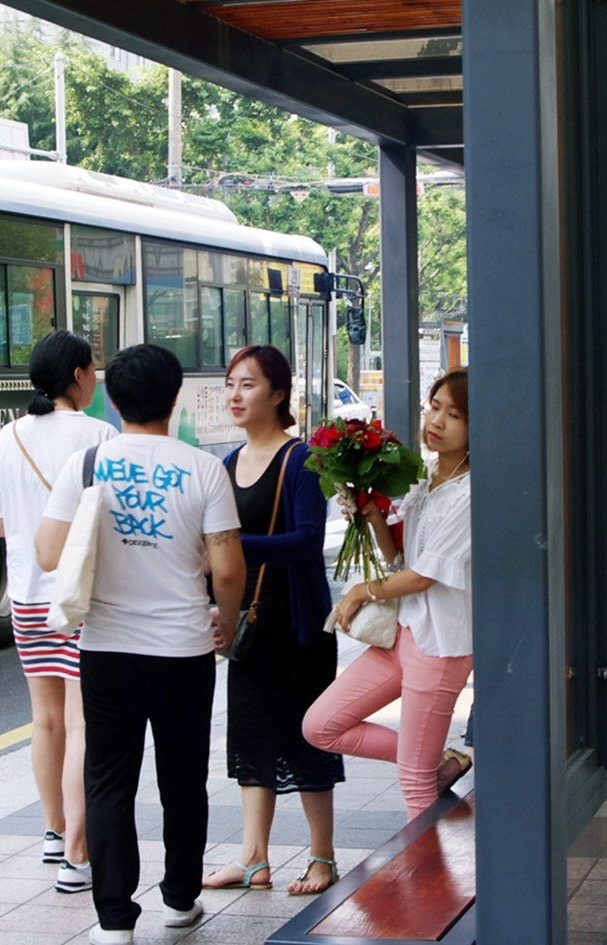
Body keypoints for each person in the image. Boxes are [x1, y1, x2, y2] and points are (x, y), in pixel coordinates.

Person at [35, 344, 245, 945]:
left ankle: (114, 920)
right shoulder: (203, 468)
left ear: (112, 398)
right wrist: (224, 624)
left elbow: (50, 554)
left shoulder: (86, 465)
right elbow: (228, 570)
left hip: (106, 648)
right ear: (175, 398)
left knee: (108, 779)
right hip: (183, 648)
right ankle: (180, 900)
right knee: (182, 778)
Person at [202, 346, 345, 897]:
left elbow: (308, 542)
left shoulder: (302, 459)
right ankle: (254, 859)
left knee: (309, 739)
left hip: (299, 624)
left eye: (248, 385)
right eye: (231, 384)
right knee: (252, 737)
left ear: (279, 394)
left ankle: (322, 858)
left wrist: (233, 546)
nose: (235, 395)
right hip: (253, 623)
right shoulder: (225, 464)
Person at [303, 368, 474, 822]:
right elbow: (399, 556)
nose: (436, 421)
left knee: (415, 784)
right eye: (434, 407)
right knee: (320, 726)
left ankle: (433, 891)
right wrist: (372, 514)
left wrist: (362, 590)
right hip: (402, 633)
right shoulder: (427, 474)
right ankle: (435, 757)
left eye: (453, 414)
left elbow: (424, 576)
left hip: (440, 644)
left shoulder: (472, 491)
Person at [0, 330, 116, 891]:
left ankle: (53, 831)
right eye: (92, 368)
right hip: (80, 599)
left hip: (28, 598)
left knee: (46, 719)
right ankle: (76, 856)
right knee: (85, 721)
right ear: (78, 375)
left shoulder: (8, 436)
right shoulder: (100, 436)